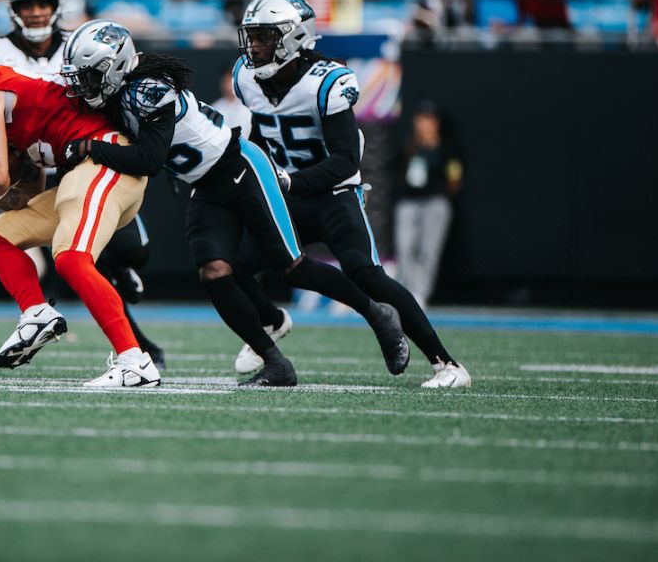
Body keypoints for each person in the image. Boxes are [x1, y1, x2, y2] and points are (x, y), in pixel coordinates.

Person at [60, 20, 409, 386]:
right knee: (214, 271)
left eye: (89, 75)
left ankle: (376, 314)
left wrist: (88, 148)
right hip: (206, 184)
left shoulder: (148, 89)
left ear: (113, 68)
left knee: (292, 266)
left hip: (241, 167)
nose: (83, 86)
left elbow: (147, 158)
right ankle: (276, 362)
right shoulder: (120, 94)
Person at [234, 0, 471, 388]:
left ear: (293, 37)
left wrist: (291, 180)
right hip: (288, 194)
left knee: (368, 275)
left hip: (333, 195)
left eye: (265, 36)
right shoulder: (248, 77)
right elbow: (262, 133)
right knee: (231, 266)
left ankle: (447, 364)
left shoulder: (327, 81)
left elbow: (345, 160)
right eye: (252, 36)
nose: (254, 45)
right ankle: (271, 324)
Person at [0, 47, 158, 388]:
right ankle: (36, 313)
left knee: (71, 258)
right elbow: (24, 199)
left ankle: (134, 360)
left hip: (105, 158)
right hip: (88, 173)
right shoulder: (11, 115)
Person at [0, 0, 166, 366]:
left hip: (95, 157)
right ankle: (40, 316)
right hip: (39, 163)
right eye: (28, 4)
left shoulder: (79, 45)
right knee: (5, 237)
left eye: (43, 4)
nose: (37, 12)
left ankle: (134, 355)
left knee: (107, 253)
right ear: (13, 10)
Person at [395, 102, 463, 309]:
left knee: (428, 249)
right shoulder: (409, 146)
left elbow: (454, 176)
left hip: (434, 203)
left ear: (436, 123)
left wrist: (443, 195)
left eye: (428, 119)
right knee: (405, 248)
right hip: (408, 203)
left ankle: (420, 294)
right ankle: (404, 292)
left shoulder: (446, 148)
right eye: (420, 118)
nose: (423, 124)